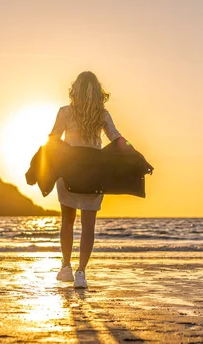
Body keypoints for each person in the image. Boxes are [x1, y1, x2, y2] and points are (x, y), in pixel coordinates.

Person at [48, 71, 127, 289]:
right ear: (97, 91)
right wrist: (132, 152)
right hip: (94, 173)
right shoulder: (102, 114)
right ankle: (81, 272)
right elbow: (116, 138)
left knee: (67, 220)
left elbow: (53, 139)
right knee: (88, 225)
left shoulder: (65, 112)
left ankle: (66, 268)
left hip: (69, 170)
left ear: (75, 89)